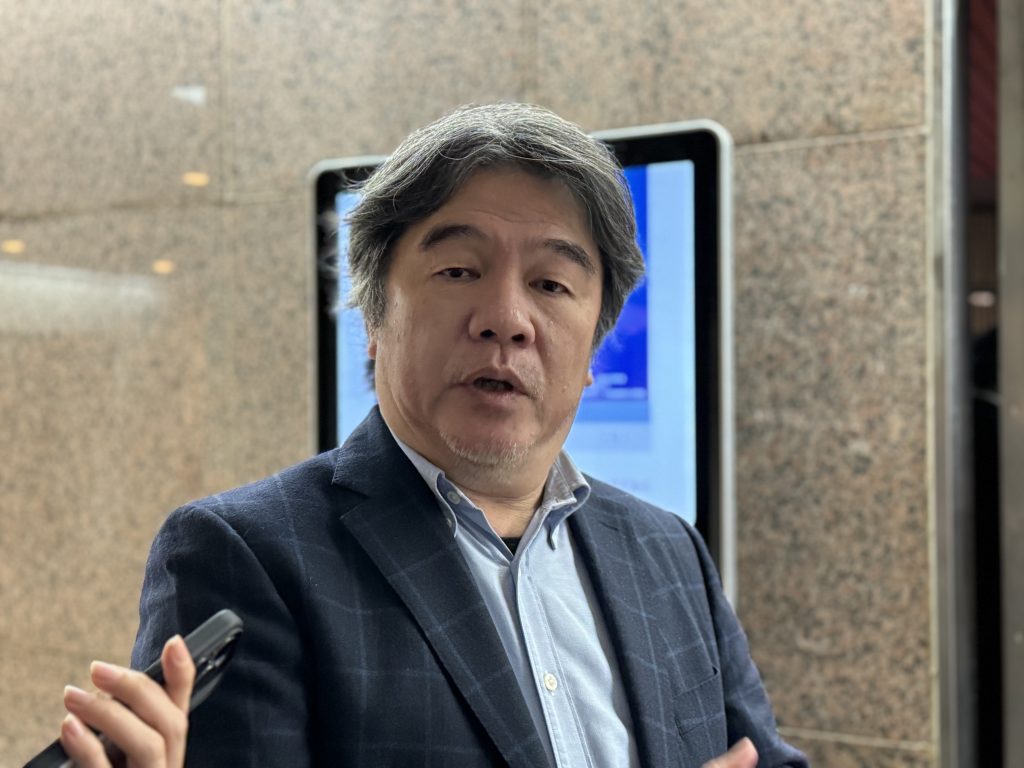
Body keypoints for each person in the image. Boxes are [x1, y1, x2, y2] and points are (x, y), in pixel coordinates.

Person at [55, 103, 808, 767]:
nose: (505, 319)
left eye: (551, 284)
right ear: (374, 318)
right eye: (457, 271)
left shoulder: (669, 551)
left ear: (593, 350)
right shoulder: (244, 555)